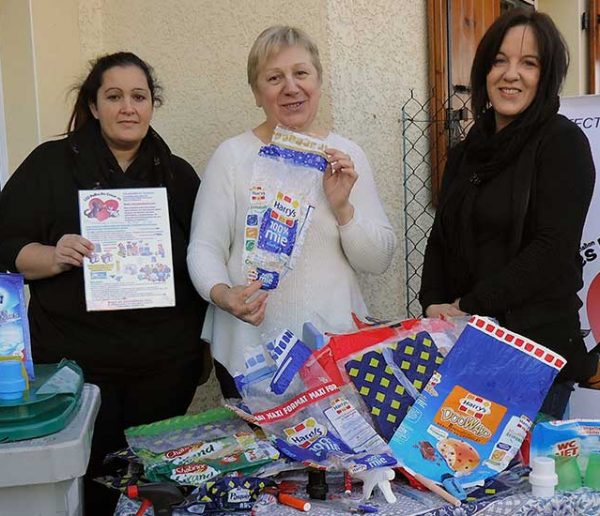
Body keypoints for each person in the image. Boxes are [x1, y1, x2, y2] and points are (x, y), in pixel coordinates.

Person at [0, 52, 208, 515]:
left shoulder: (177, 175)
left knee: (154, 487)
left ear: (153, 105)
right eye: (114, 97)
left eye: (139, 97)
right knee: (90, 487)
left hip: (165, 366)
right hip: (77, 365)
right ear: (93, 106)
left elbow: (204, 259)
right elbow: (4, 241)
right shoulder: (50, 165)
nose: (127, 108)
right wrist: (53, 256)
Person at [187, 26, 396, 397]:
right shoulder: (233, 156)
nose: (290, 87)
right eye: (274, 77)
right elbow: (204, 248)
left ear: (318, 81)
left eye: (301, 73)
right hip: (247, 354)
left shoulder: (345, 156)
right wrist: (223, 294)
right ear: (256, 93)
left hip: (333, 354)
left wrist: (343, 207)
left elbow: (377, 259)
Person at [419, 9, 600, 419]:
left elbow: (551, 250)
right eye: (499, 60)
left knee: (526, 480)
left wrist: (469, 303)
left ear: (546, 74)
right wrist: (432, 303)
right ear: (484, 71)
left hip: (533, 355)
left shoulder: (562, 143)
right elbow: (441, 235)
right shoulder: (466, 152)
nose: (510, 74)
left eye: (528, 63)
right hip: (465, 347)